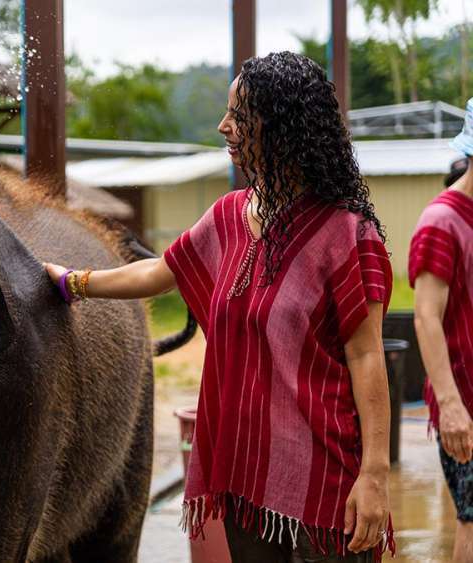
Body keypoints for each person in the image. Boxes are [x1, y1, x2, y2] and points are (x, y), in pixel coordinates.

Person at [45, 52, 393, 562]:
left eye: (238, 115)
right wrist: (73, 282)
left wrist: (375, 476)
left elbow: (367, 360)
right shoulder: (228, 216)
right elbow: (159, 272)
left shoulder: (347, 238)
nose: (222, 126)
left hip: (326, 484)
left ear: (280, 128)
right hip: (244, 479)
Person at [411, 96, 473, 563]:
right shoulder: (442, 221)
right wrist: (450, 405)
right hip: (466, 406)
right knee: (471, 522)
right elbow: (425, 316)